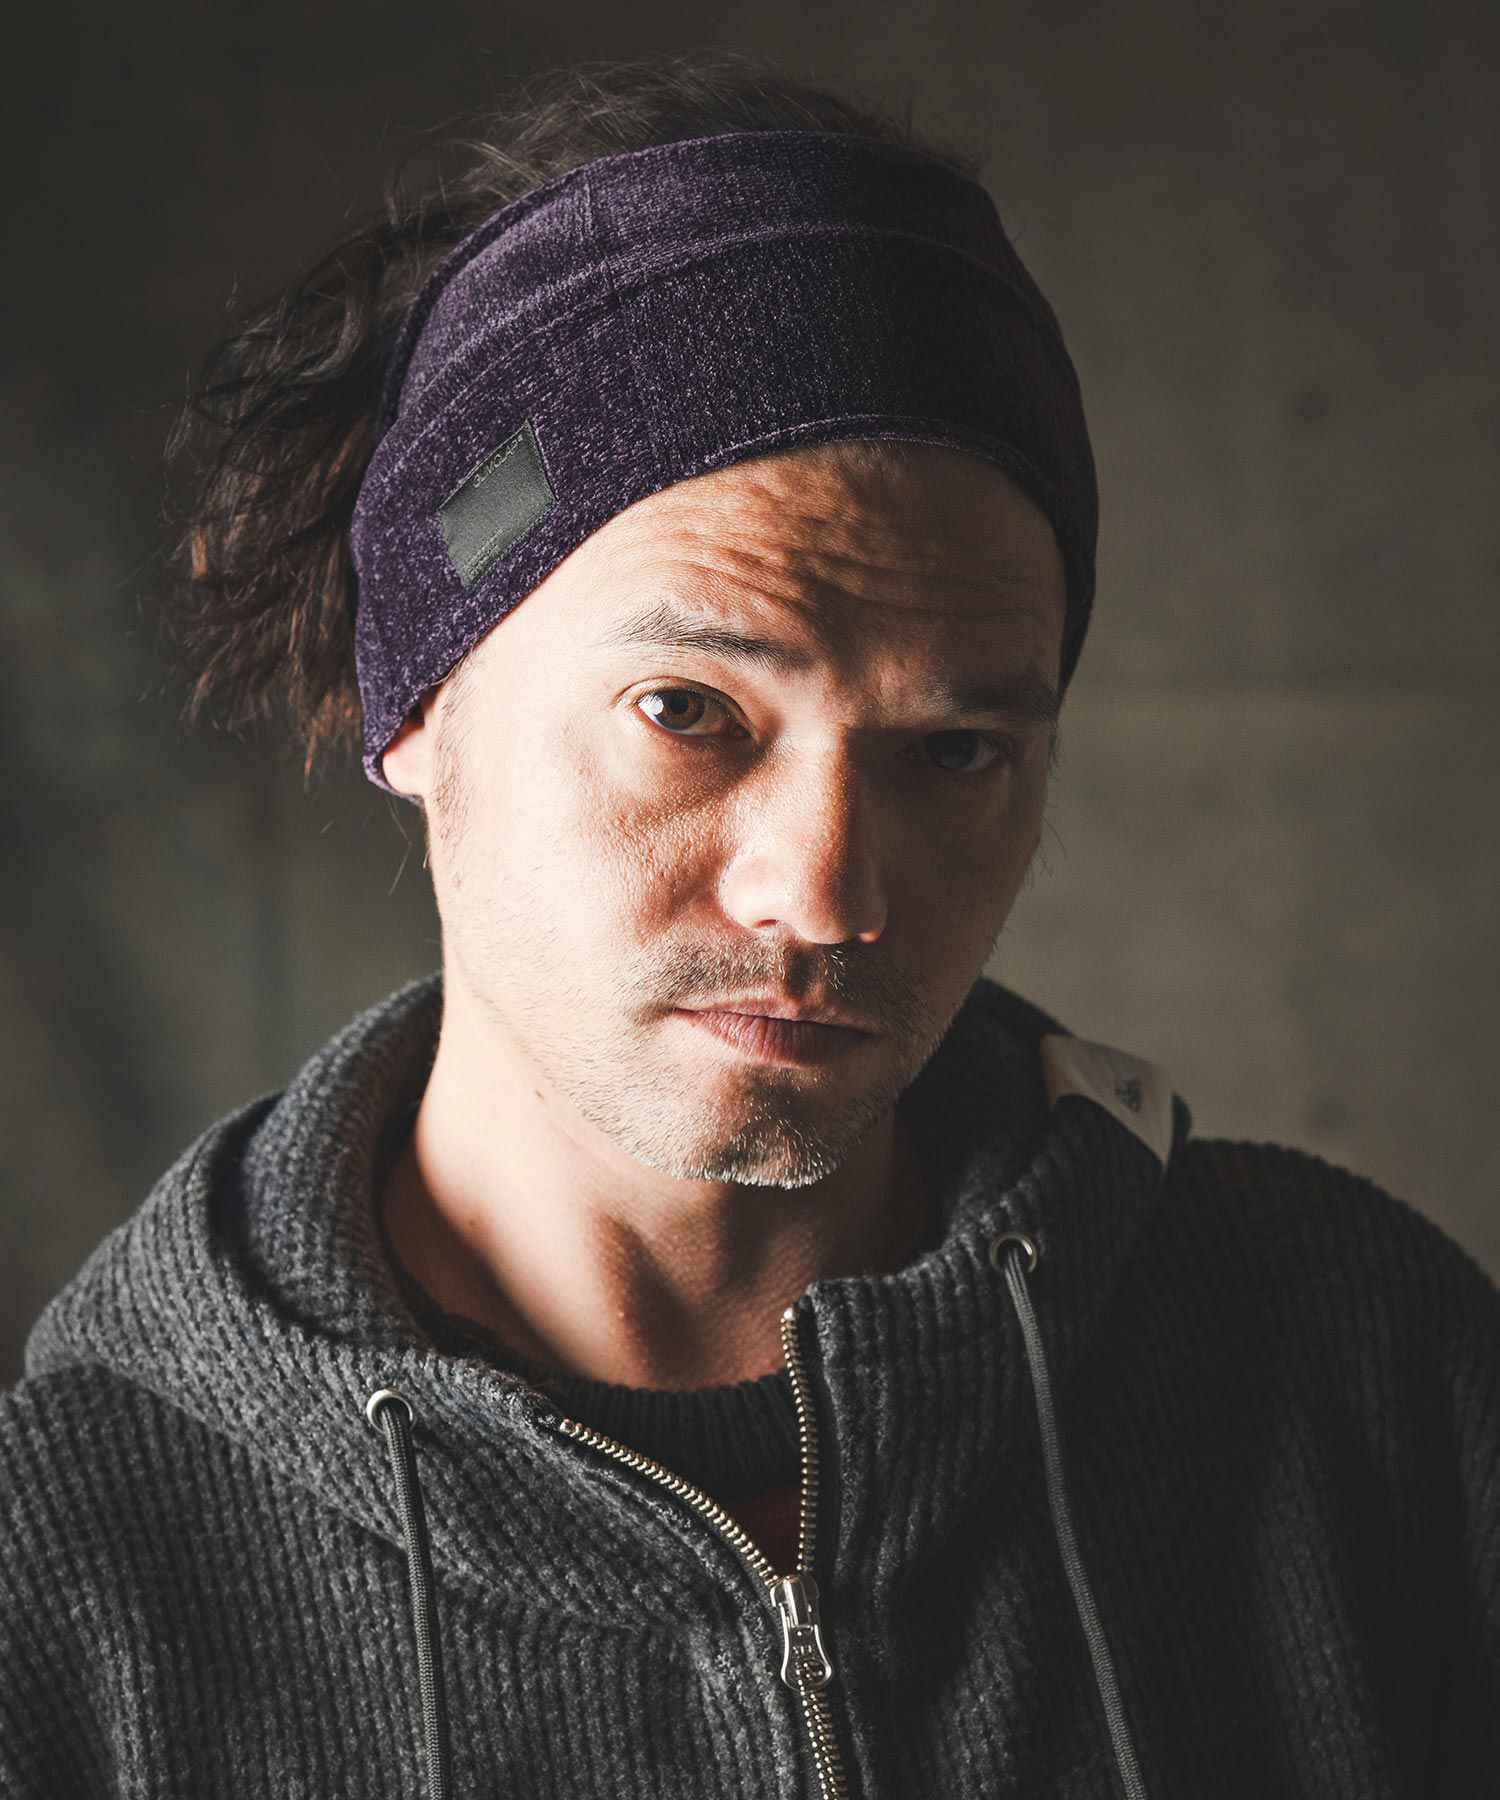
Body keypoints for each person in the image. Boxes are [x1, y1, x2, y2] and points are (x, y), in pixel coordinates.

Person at [2, 45, 1496, 1800]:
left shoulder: (1361, 1372)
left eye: (955, 750)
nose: (830, 894)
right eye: (690, 711)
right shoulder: (68, 1575)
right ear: (420, 704)